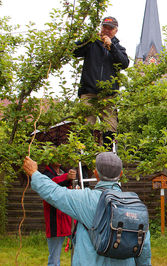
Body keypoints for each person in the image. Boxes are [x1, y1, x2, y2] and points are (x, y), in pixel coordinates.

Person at [23, 152, 151, 265]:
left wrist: (34, 173)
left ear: (96, 174)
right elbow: (143, 248)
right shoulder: (135, 205)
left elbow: (53, 192)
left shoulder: (84, 199)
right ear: (121, 174)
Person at [73, 16, 129, 147]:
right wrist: (88, 37)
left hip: (108, 95)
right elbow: (75, 51)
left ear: (116, 31)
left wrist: (111, 47)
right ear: (101, 28)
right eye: (105, 27)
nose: (107, 30)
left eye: (111, 28)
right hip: (89, 92)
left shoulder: (118, 48)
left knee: (110, 127)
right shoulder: (91, 43)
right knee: (86, 126)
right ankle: (85, 160)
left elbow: (124, 63)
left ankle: (108, 157)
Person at [41, 163, 76, 266]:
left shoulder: (64, 172)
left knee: (80, 250)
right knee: (54, 259)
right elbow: (51, 186)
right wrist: (66, 177)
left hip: (68, 218)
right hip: (54, 220)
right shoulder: (46, 175)